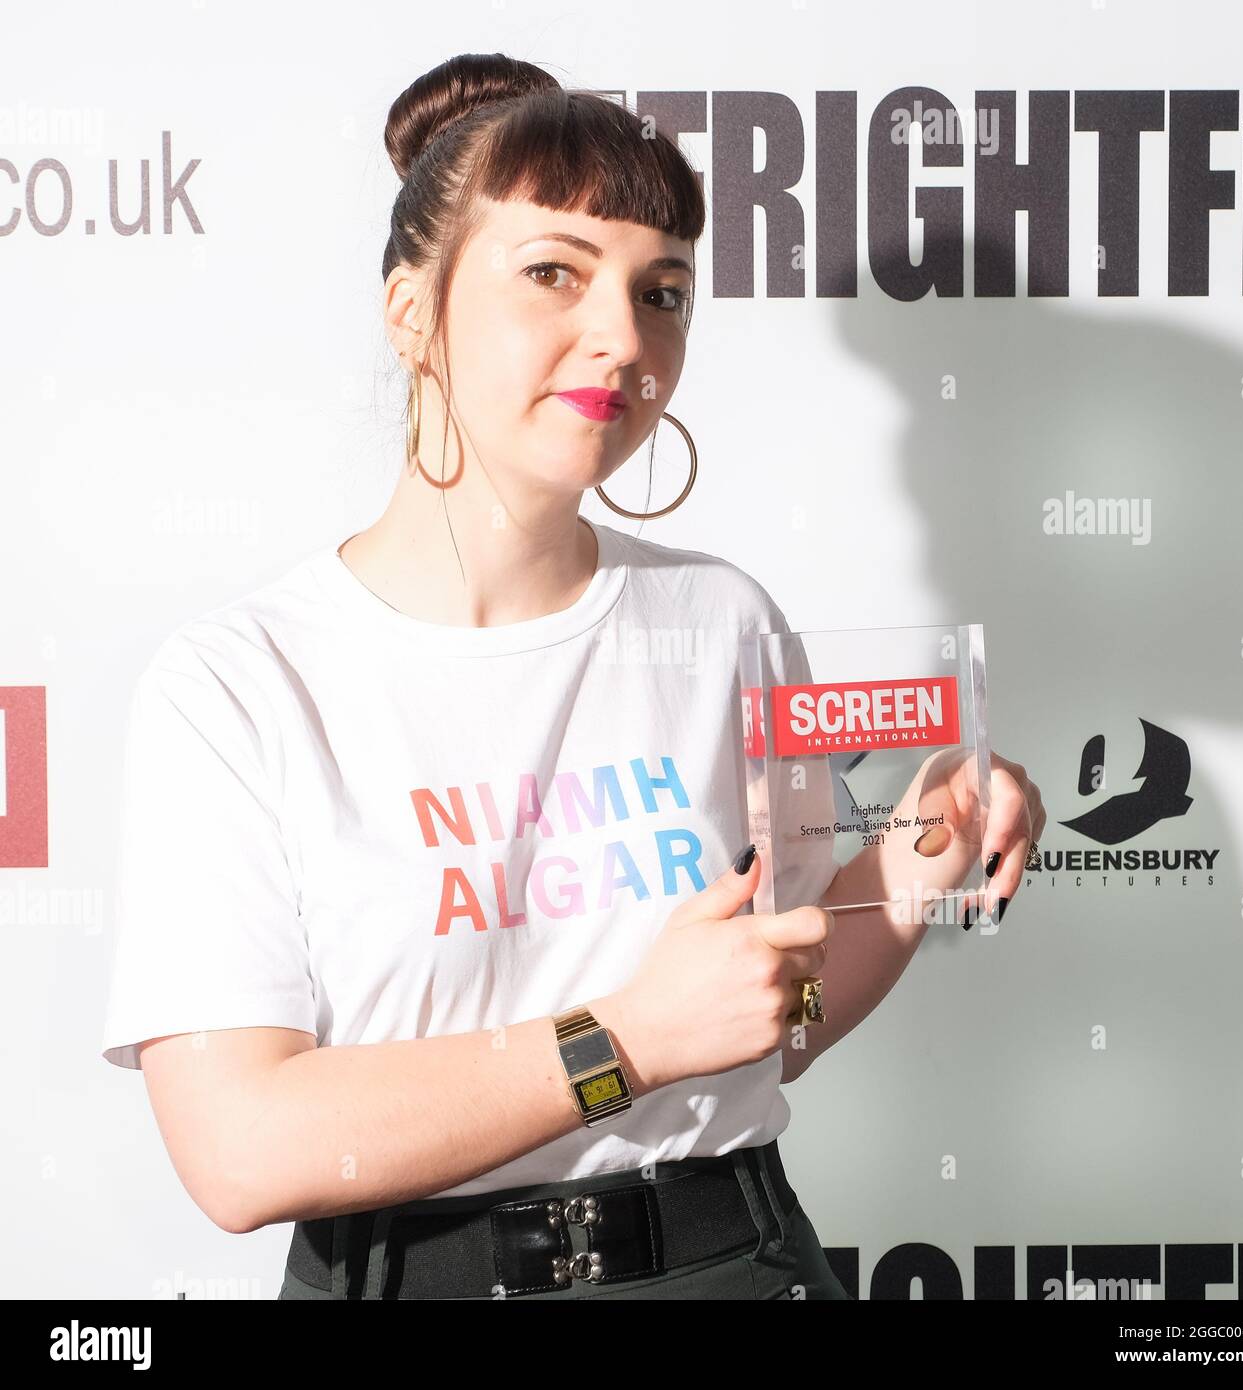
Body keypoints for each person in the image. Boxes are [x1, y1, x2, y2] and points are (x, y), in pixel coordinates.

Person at [101, 53, 1042, 1301]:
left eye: (661, 291)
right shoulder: (239, 683)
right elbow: (239, 1147)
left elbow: (778, 1019)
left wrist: (918, 861)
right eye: (553, 271)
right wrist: (627, 1041)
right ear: (409, 310)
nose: (623, 336)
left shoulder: (719, 621)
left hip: (740, 1259)